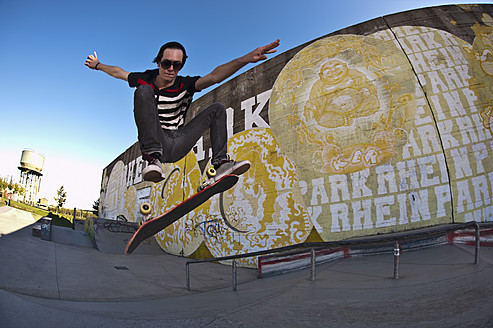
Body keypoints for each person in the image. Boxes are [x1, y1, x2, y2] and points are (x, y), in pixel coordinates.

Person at [85, 39, 280, 183]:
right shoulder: (145, 77)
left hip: (179, 141)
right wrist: (97, 65)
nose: (170, 68)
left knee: (217, 109)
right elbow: (119, 72)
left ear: (181, 66)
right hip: (156, 140)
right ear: (158, 62)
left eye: (176, 65)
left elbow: (214, 77)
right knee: (143, 90)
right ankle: (153, 159)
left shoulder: (185, 84)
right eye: (166, 63)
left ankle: (220, 163)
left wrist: (246, 58)